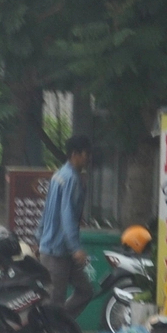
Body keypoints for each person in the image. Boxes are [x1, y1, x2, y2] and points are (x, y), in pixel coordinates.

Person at [36, 135, 95, 320]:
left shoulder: (59, 175)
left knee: (85, 290)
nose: (88, 158)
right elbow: (67, 214)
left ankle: (63, 324)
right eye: (86, 154)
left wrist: (38, 236)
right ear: (75, 154)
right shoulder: (71, 179)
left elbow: (47, 210)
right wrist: (75, 248)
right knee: (54, 302)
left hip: (59, 250)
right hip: (57, 252)